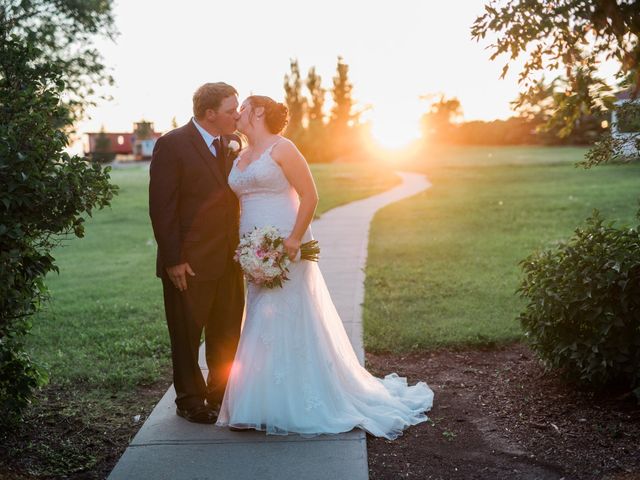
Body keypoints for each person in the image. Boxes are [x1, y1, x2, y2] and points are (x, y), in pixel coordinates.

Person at [216, 95, 434, 439]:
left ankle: (294, 401)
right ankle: (256, 404)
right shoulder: (239, 154)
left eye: (243, 107)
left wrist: (293, 239)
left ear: (258, 111)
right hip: (251, 248)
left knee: (287, 315)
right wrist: (248, 248)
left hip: (285, 243)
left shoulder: (283, 148)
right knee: (259, 315)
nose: (238, 113)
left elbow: (311, 195)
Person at [149, 82, 245, 424]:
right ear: (209, 114)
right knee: (187, 336)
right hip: (187, 263)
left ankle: (220, 393)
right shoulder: (172, 144)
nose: (238, 114)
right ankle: (190, 400)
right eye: (231, 109)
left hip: (229, 261)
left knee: (226, 331)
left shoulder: (231, 144)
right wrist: (174, 259)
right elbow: (162, 207)